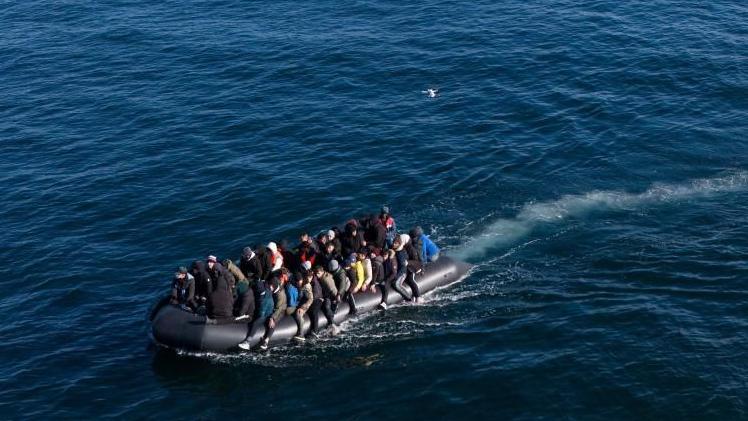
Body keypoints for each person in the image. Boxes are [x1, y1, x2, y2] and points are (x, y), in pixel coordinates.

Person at [238, 274, 276, 350]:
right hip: (268, 312)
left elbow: (263, 310)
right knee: (271, 323)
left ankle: (248, 342)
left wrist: (259, 315)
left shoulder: (265, 294)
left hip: (266, 314)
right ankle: (265, 341)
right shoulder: (265, 290)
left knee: (257, 322)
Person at [257, 269, 292, 350]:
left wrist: (272, 318)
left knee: (272, 323)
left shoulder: (280, 295)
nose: (270, 287)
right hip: (273, 305)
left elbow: (279, 308)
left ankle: (266, 340)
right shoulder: (274, 284)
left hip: (280, 309)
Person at [313, 265, 339, 334]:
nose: (316, 275)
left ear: (322, 272)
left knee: (326, 307)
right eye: (316, 273)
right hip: (326, 294)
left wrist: (336, 300)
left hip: (330, 296)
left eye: (318, 273)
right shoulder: (322, 277)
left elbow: (333, 290)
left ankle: (332, 323)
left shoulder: (326, 280)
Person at [293, 269, 315, 342]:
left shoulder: (306, 286)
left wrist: (302, 308)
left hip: (306, 303)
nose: (297, 283)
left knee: (298, 314)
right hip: (300, 301)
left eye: (298, 281)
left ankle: (301, 334)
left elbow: (311, 299)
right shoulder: (298, 283)